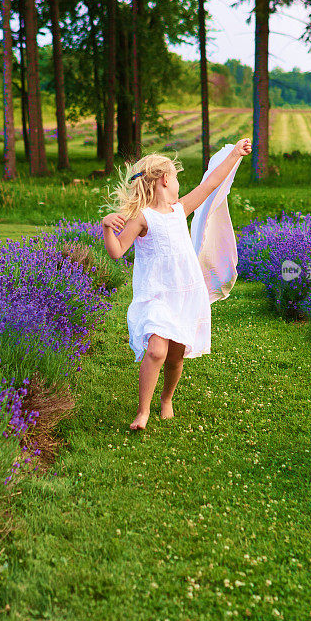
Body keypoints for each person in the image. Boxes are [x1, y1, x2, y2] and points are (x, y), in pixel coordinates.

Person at [102, 137, 252, 430]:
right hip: (156, 294)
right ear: (164, 180)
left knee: (174, 358)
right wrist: (106, 227)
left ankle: (167, 398)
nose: (179, 184)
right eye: (176, 178)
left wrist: (235, 154)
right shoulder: (141, 218)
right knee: (157, 350)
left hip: (185, 294)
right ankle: (143, 411)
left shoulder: (179, 210)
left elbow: (210, 184)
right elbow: (117, 251)